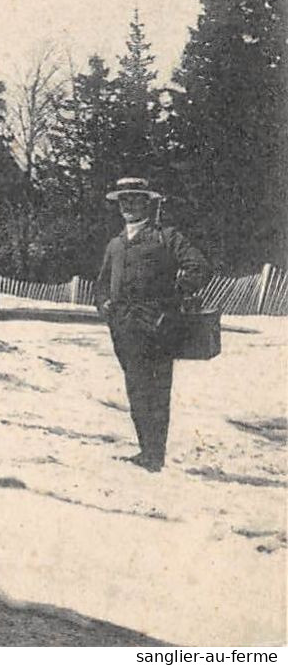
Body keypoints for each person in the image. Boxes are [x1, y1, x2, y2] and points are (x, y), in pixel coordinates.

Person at [93, 176, 211, 472]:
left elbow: (198, 266)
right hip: (124, 328)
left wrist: (175, 295)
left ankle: (154, 455)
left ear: (148, 203)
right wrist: (104, 305)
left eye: (135, 199)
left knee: (157, 391)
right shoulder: (116, 244)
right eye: (124, 200)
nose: (129, 205)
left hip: (157, 326)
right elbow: (102, 283)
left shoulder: (166, 237)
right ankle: (146, 449)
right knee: (135, 388)